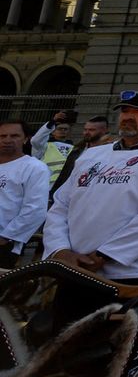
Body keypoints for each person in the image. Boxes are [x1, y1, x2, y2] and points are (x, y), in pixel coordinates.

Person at [43, 90, 138, 318]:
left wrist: (104, 255)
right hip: (75, 269)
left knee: (116, 348)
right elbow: (61, 205)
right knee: (64, 342)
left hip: (136, 274)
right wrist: (60, 249)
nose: (128, 116)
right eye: (125, 110)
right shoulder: (93, 155)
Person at [0, 121, 50, 267]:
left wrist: (6, 237)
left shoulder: (35, 168)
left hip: (4, 245)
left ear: (26, 138)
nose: (7, 140)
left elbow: (35, 210)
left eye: (14, 135)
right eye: (2, 136)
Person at [49, 114, 111, 198]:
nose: (86, 133)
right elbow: (65, 175)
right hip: (68, 194)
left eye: (91, 130)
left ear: (104, 130)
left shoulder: (110, 151)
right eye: (85, 129)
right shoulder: (76, 150)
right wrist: (53, 195)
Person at [31, 110, 75, 185]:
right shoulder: (44, 146)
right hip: (46, 184)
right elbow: (35, 140)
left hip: (65, 185)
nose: (63, 131)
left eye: (65, 129)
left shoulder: (75, 148)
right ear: (52, 131)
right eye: (60, 129)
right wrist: (52, 122)